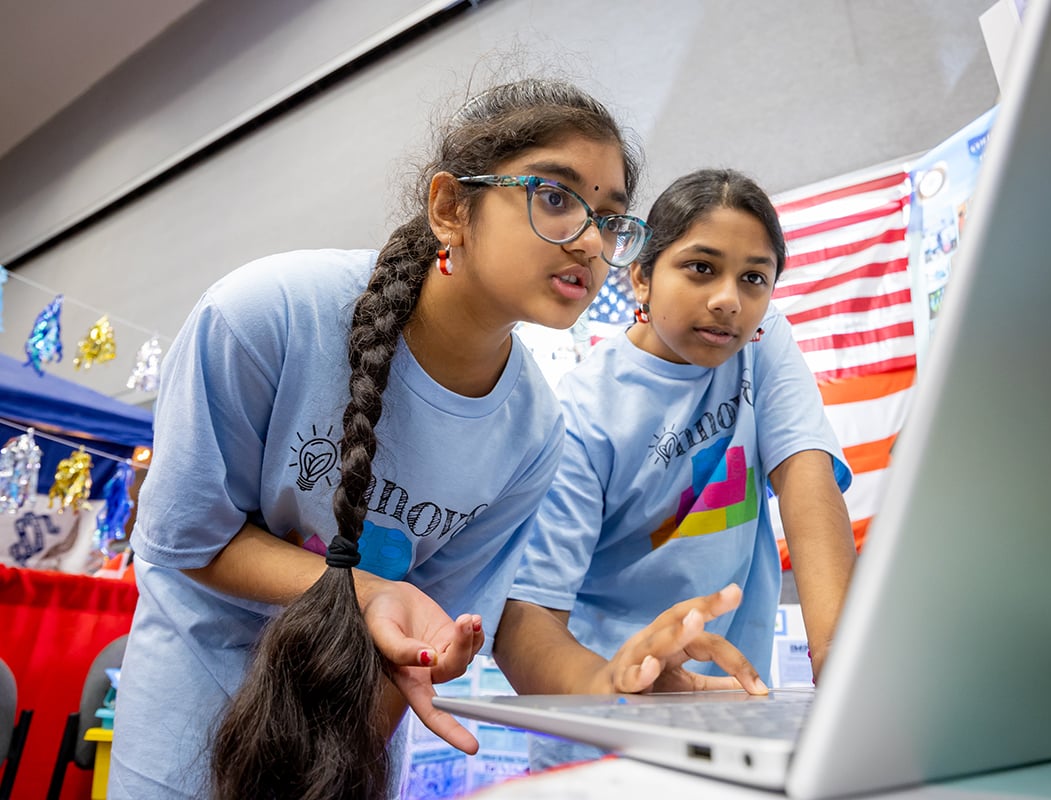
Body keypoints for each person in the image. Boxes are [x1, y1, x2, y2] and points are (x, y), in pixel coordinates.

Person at [107, 78, 653, 800]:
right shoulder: (265, 316)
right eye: (555, 196)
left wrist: (341, 770)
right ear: (452, 208)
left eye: (611, 220)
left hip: (347, 749)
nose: (589, 239)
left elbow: (422, 638)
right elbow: (183, 535)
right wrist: (364, 591)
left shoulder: (534, 432)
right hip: (188, 728)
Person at [494, 169, 857, 764]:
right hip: (605, 734)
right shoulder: (584, 414)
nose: (728, 299)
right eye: (700, 267)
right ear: (640, 276)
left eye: (754, 279)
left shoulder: (761, 347)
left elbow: (807, 481)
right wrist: (612, 686)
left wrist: (843, 672)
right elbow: (531, 612)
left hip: (730, 724)